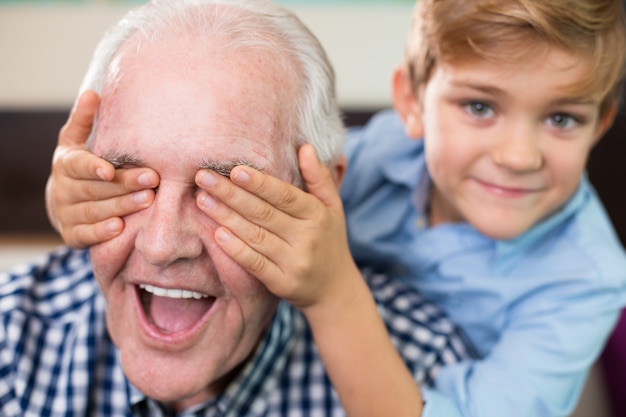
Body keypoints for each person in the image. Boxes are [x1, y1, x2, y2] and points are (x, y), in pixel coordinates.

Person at [44, 0, 626, 416]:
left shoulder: (589, 278)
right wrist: (70, 197)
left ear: (600, 124)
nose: (517, 155)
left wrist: (331, 291)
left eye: (561, 118)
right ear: (411, 104)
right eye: (479, 107)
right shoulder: (385, 154)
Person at [3, 0, 475, 416]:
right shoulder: (9, 336)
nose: (163, 245)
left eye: (227, 189)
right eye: (126, 178)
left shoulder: (427, 372)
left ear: (320, 196)